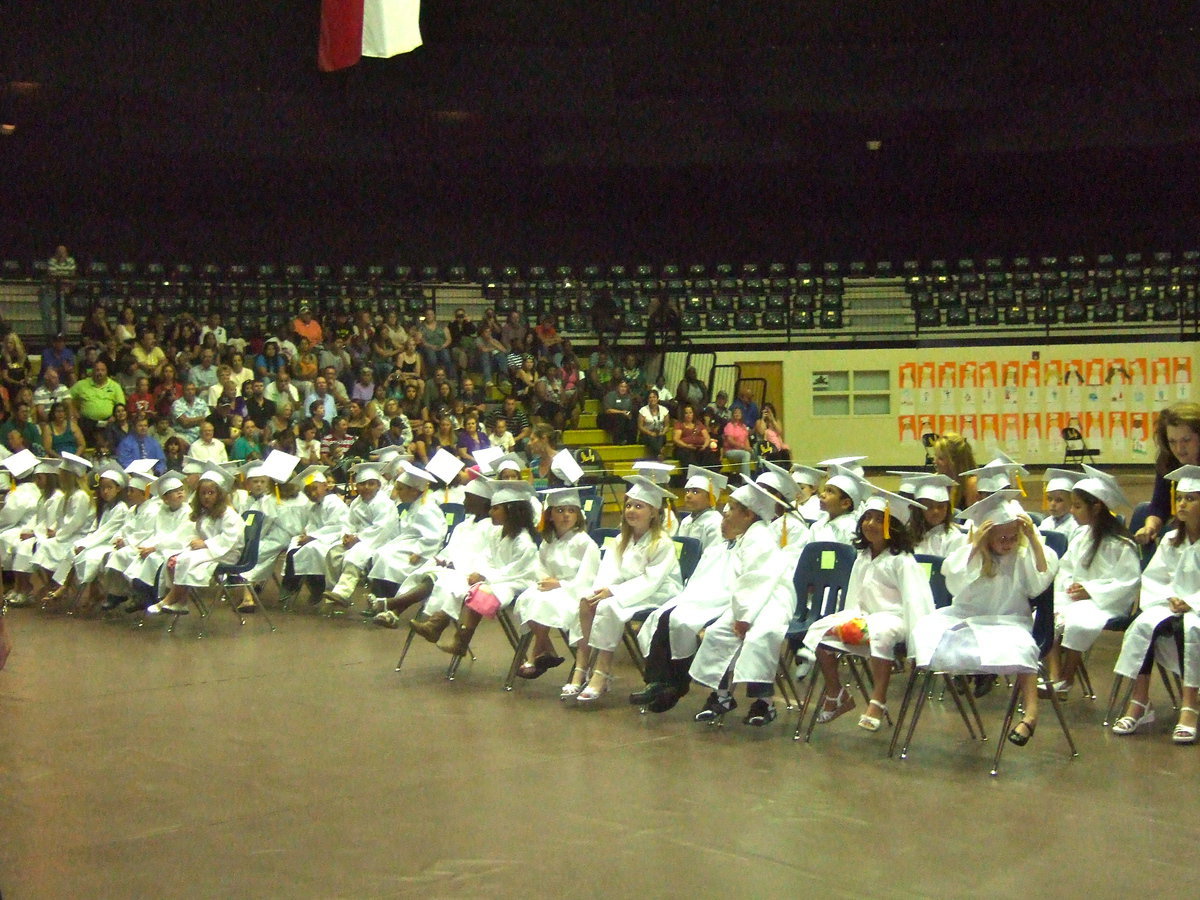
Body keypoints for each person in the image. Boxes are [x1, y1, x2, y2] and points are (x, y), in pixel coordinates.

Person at [911, 490, 1057, 747]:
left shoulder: (1022, 555)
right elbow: (955, 583)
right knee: (925, 632)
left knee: (1023, 649)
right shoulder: (972, 553)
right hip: (969, 618)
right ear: (986, 535)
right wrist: (975, 546)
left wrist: (1033, 539)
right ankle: (967, 683)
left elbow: (1039, 582)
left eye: (1013, 537)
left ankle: (1031, 714)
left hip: (1009, 620)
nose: (1008, 543)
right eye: (1001, 537)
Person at [805, 487, 934, 731]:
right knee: (820, 631)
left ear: (892, 526)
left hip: (895, 620)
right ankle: (836, 694)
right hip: (865, 618)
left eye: (878, 519)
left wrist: (919, 646)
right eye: (867, 518)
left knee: (881, 632)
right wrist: (847, 620)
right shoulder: (863, 556)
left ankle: (878, 700)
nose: (870, 523)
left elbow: (916, 601)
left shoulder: (902, 560)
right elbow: (854, 597)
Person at [686, 479, 798, 726]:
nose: (727, 512)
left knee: (761, 636)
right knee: (717, 632)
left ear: (748, 514)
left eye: (733, 508)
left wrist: (745, 618)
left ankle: (765, 703)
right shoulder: (747, 536)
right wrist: (741, 614)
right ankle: (722, 695)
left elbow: (758, 580)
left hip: (773, 599)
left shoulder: (760, 538)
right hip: (751, 600)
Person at [561, 476, 683, 701]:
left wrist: (614, 592)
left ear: (654, 512)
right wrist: (602, 589)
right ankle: (581, 665)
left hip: (659, 593)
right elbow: (609, 571)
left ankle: (602, 671)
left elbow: (651, 580)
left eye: (639, 506)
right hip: (625, 590)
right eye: (628, 505)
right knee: (587, 601)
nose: (631, 510)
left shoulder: (662, 542)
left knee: (608, 607)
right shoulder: (620, 540)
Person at [629, 468, 731, 712]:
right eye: (687, 490)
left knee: (675, 618)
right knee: (663, 616)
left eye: (696, 491)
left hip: (717, 595)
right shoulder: (687, 521)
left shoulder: (714, 524)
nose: (689, 495)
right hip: (695, 586)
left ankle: (673, 683)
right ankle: (657, 681)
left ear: (711, 497)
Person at [1112, 464, 1200, 742]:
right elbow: (1155, 577)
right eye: (1180, 498)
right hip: (1171, 603)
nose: (1183, 503)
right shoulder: (1171, 539)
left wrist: (1192, 600)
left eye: (1192, 498)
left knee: (1191, 629)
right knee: (1142, 624)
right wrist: (1170, 597)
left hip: (1197, 609)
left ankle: (1190, 705)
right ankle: (1140, 702)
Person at [410, 479, 539, 656]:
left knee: (480, 591)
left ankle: (460, 639)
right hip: (495, 578)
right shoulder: (497, 533)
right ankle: (436, 624)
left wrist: (486, 577)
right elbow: (486, 558)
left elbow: (516, 571)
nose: (491, 512)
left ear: (511, 511)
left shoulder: (524, 541)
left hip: (516, 582)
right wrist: (480, 573)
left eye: (495, 509)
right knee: (458, 580)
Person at [1046, 466, 1140, 697]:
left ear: (1096, 507)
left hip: (1106, 602)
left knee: (1078, 622)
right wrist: (1070, 586)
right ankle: (1054, 677)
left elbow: (1128, 582)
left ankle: (1066, 679)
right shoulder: (1082, 536)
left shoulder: (1121, 543)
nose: (1072, 511)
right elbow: (1066, 568)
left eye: (1078, 506)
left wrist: (1090, 590)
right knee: (1047, 614)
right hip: (1077, 597)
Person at [513, 484, 602, 678]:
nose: (566, 515)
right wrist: (546, 582)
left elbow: (588, 578)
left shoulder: (585, 543)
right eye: (560, 510)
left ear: (578, 515)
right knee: (527, 599)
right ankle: (545, 649)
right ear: (550, 515)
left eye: (571, 511)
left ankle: (538, 652)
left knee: (542, 602)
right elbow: (540, 567)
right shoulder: (549, 540)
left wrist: (561, 585)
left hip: (574, 591)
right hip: (552, 588)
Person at [146, 465, 245, 615]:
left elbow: (230, 538)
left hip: (226, 552)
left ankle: (169, 599)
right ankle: (182, 602)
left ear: (219, 494)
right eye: (203, 493)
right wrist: (195, 542)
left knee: (186, 559)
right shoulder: (204, 513)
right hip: (209, 550)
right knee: (175, 558)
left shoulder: (229, 514)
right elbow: (196, 533)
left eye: (211, 493)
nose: (206, 497)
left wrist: (205, 543)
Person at [44, 464, 130, 610]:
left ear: (118, 489)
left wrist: (86, 544)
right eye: (102, 488)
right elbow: (94, 529)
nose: (105, 491)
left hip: (108, 543)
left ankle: (74, 589)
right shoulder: (105, 507)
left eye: (109, 488)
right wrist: (83, 542)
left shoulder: (121, 508)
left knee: (88, 556)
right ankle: (66, 587)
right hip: (98, 541)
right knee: (74, 550)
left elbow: (106, 532)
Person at [320, 463, 401, 609]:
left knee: (357, 554)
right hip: (358, 540)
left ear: (378, 485)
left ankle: (343, 593)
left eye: (371, 484)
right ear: (356, 486)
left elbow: (382, 528)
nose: (367, 487)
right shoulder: (356, 503)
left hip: (380, 541)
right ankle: (332, 592)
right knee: (333, 552)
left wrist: (358, 539)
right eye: (362, 484)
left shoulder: (384, 503)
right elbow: (348, 523)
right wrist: (346, 536)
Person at [279, 466, 351, 604]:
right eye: (307, 491)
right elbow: (311, 525)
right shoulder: (315, 506)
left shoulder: (334, 502)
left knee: (311, 549)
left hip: (333, 540)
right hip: (320, 538)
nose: (312, 493)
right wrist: (307, 534)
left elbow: (336, 526)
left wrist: (313, 537)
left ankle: (308, 585)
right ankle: (302, 584)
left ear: (325, 486)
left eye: (314, 488)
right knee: (295, 544)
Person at [1135, 402, 1200, 546]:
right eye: (1172, 442)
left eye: (1186, 440)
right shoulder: (1168, 462)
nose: (1179, 448)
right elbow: (1160, 505)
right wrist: (1150, 527)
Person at [905, 473, 966, 556]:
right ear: (919, 509)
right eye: (929, 506)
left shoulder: (955, 538)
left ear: (947, 508)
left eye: (941, 506)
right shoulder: (907, 535)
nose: (936, 511)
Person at [69, 359, 125, 442]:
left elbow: (121, 404)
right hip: (87, 423)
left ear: (106, 372)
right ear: (92, 371)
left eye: (102, 370)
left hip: (109, 421)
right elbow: (67, 398)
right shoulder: (81, 384)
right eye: (97, 370)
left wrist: (114, 416)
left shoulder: (115, 386)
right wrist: (74, 412)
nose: (100, 373)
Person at [932, 432, 979, 510]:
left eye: (940, 458)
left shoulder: (972, 485)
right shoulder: (936, 481)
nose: (934, 461)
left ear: (955, 462)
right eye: (935, 456)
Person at [1039, 468, 1083, 542]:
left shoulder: (1077, 526)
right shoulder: (1045, 523)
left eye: (1059, 500)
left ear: (1072, 501)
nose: (1052, 504)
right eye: (1049, 499)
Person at [599, 379, 637, 445]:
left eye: (625, 387)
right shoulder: (611, 395)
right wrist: (622, 412)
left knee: (632, 420)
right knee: (620, 417)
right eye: (621, 386)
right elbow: (608, 410)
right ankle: (618, 441)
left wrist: (628, 414)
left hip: (623, 418)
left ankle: (631, 442)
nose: (623, 389)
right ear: (617, 387)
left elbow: (628, 411)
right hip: (607, 418)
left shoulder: (629, 397)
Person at [638, 389, 671, 460]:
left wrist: (663, 432)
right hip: (646, 434)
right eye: (650, 397)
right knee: (652, 438)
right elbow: (640, 426)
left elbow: (667, 426)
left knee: (661, 436)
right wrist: (650, 433)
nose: (652, 399)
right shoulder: (643, 410)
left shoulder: (664, 410)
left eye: (654, 397)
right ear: (647, 399)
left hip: (660, 433)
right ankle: (660, 453)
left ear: (658, 398)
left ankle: (657, 455)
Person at [721, 406, 753, 478]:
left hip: (742, 450)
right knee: (746, 454)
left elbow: (746, 439)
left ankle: (758, 479)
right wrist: (744, 448)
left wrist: (748, 448)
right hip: (730, 451)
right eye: (735, 413)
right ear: (732, 415)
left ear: (742, 415)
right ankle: (746, 481)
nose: (737, 414)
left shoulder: (743, 426)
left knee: (756, 454)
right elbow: (730, 441)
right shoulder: (730, 425)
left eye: (739, 413)